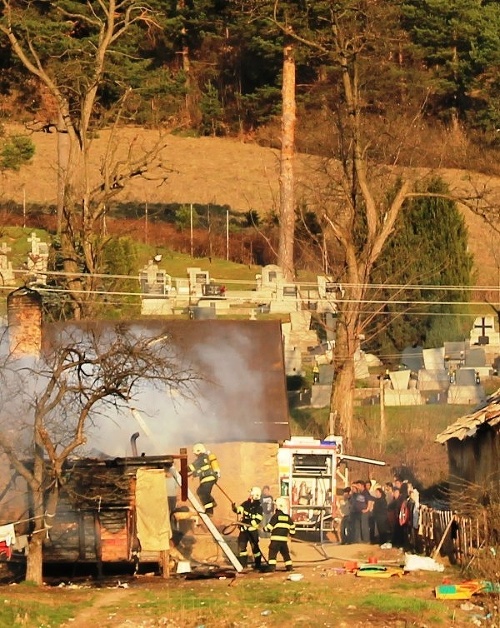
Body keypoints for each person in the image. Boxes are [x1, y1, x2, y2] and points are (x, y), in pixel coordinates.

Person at [232, 486, 264, 570]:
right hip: (244, 530)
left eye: (251, 494)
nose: (249, 495)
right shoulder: (246, 503)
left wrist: (250, 523)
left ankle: (258, 565)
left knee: (255, 548)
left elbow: (258, 519)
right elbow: (239, 510)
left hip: (252, 531)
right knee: (242, 546)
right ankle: (243, 564)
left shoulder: (259, 506)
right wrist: (234, 508)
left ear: (255, 495)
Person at [264, 496, 296, 572]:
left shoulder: (275, 517)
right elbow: (292, 531)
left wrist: (264, 529)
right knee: (286, 554)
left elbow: (269, 528)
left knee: (272, 554)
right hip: (284, 541)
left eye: (275, 506)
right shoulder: (288, 518)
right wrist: (291, 534)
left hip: (275, 540)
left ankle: (271, 567)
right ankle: (289, 567)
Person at [188, 443, 220, 516]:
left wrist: (182, 471)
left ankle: (209, 510)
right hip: (209, 478)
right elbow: (202, 469)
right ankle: (211, 504)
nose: (195, 455)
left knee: (203, 492)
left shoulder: (202, 458)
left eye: (195, 453)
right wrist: (193, 474)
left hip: (208, 478)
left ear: (198, 451)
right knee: (201, 491)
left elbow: (191, 467)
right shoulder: (205, 458)